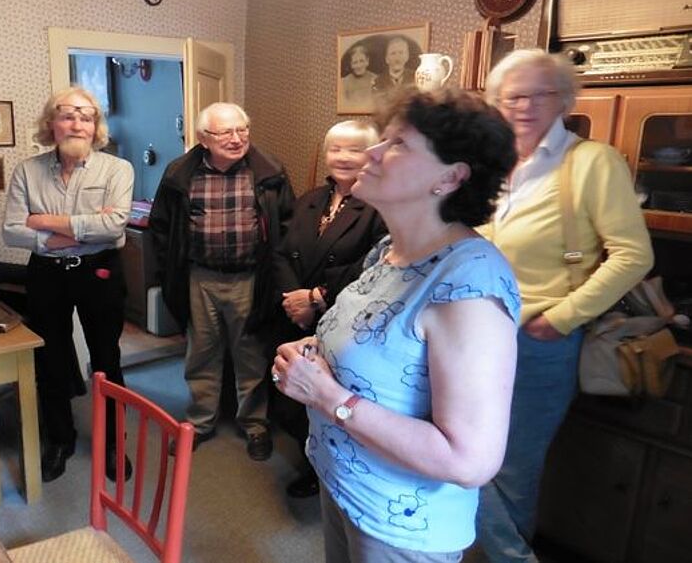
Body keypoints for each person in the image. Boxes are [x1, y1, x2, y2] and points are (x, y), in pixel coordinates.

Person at [273, 87, 521, 562]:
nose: (372, 151)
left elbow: (470, 460)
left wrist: (327, 396)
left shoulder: (470, 283)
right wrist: (317, 351)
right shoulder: (388, 251)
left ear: (450, 177)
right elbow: (377, 340)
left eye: (399, 144)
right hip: (344, 484)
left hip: (400, 522)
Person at [476, 49, 654, 562]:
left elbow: (633, 255)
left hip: (536, 342)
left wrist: (562, 317)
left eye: (542, 94)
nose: (526, 105)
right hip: (472, 334)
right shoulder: (491, 165)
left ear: (564, 100)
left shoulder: (592, 161)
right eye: (514, 95)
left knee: (511, 469)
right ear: (496, 102)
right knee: (459, 449)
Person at [149, 102, 295, 461]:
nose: (236, 139)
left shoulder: (269, 172)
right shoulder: (179, 175)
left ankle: (255, 424)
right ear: (203, 138)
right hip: (200, 278)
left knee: (251, 354)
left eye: (242, 130)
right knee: (201, 354)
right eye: (225, 132)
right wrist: (166, 276)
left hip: (250, 278)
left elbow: (287, 227)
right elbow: (161, 231)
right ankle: (200, 422)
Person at [2, 86, 134, 483]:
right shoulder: (27, 170)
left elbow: (114, 226)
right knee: (51, 358)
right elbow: (11, 230)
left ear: (96, 127)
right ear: (51, 124)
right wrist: (73, 232)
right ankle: (60, 438)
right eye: (67, 115)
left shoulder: (117, 170)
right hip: (46, 272)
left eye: (87, 116)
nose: (77, 123)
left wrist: (42, 221)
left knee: (106, 358)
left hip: (99, 271)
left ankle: (114, 442)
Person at [272, 120, 386, 498]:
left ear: (372, 154)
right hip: (296, 314)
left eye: (354, 149)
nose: (343, 157)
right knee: (294, 400)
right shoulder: (310, 199)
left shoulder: (380, 206)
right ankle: (311, 459)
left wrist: (317, 297)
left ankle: (328, 475)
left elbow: (371, 268)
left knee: (333, 399)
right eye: (336, 148)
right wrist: (295, 297)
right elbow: (283, 251)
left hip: (343, 319)